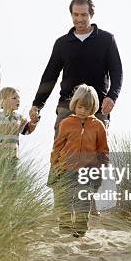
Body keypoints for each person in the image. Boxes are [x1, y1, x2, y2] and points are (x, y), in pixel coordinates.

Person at [29, 0, 123, 139]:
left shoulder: (106, 40)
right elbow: (50, 75)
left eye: (84, 15)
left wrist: (112, 96)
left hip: (97, 108)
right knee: (63, 156)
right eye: (76, 14)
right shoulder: (62, 43)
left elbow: (117, 71)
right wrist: (37, 104)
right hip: (68, 107)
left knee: (95, 158)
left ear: (91, 15)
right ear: (71, 14)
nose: (79, 19)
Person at [48, 84, 109, 238]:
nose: (83, 111)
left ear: (93, 108)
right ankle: (65, 229)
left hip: (87, 171)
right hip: (66, 168)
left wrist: (101, 167)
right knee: (66, 200)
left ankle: (80, 231)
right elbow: (58, 146)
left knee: (83, 202)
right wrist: (55, 165)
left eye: (87, 108)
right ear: (75, 104)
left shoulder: (98, 126)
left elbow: (103, 149)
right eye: (80, 107)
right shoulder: (66, 123)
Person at [0, 87, 39, 163]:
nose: (18, 100)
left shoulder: (19, 118)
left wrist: (33, 121)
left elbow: (27, 130)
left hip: (13, 156)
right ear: (3, 101)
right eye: (14, 98)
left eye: (19, 98)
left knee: (12, 174)